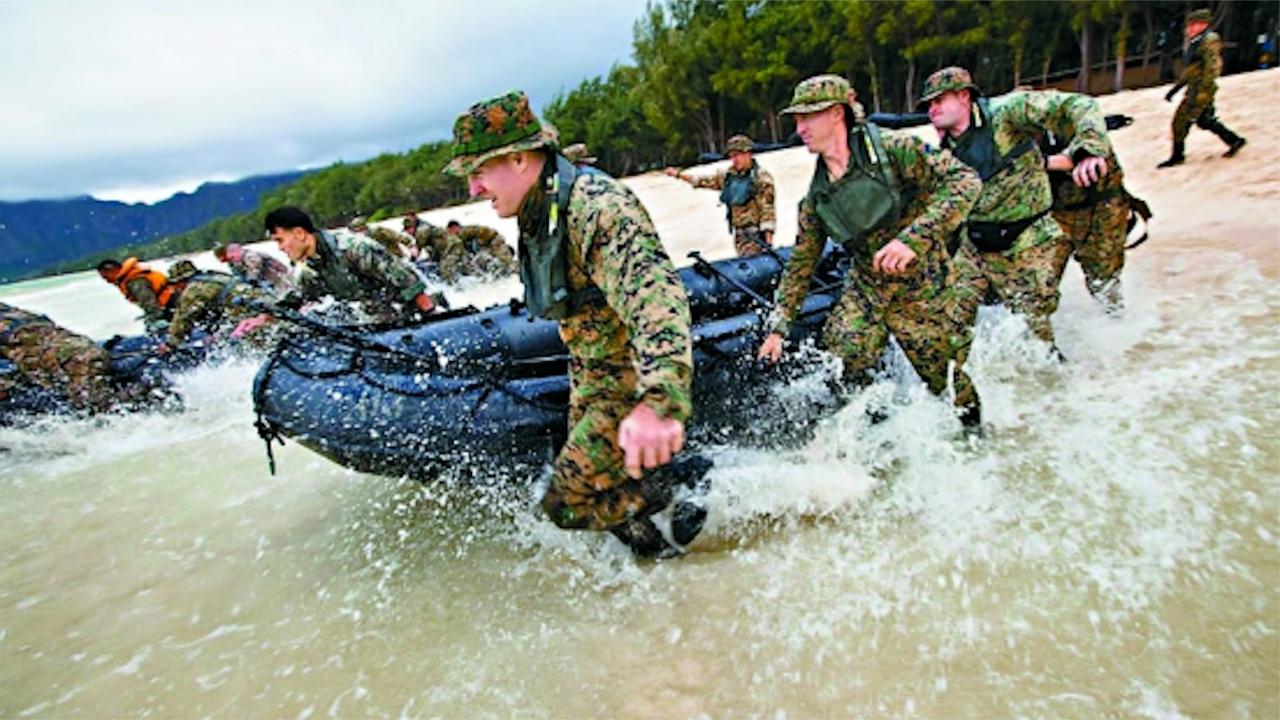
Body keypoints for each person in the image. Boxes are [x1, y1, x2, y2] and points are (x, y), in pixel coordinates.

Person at [442, 90, 705, 558]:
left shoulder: (595, 208)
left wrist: (659, 402)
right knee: (611, 500)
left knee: (566, 504)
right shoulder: (537, 209)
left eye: (479, 172)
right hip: (590, 371)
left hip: (627, 376)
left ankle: (698, 485)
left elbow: (657, 301)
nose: (473, 189)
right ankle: (663, 563)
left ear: (520, 159)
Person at [756, 75, 983, 428]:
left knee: (948, 379)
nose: (799, 127)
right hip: (868, 285)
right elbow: (801, 263)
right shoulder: (816, 200)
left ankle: (974, 441)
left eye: (807, 117)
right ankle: (879, 423)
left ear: (835, 114)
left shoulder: (894, 151)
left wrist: (913, 239)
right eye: (796, 119)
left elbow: (965, 181)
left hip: (923, 282)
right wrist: (778, 328)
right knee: (844, 352)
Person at [921, 66, 1112, 348]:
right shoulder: (945, 148)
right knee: (947, 323)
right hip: (976, 247)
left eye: (939, 101)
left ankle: (1062, 380)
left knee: (1035, 340)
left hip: (1026, 241)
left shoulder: (1007, 112)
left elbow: (1079, 104)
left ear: (963, 96)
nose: (931, 110)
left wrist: (1087, 150)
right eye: (928, 105)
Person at [263, 206, 436, 323]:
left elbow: (409, 283)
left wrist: (432, 318)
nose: (280, 248)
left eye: (280, 240)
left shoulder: (354, 248)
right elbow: (298, 298)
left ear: (299, 233)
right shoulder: (309, 271)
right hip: (375, 323)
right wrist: (265, 318)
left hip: (410, 318)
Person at [0, 302, 150, 414]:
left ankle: (139, 401)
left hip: (73, 361)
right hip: (83, 348)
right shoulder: (17, 316)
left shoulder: (13, 334)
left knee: (101, 410)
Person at [1157, 8, 1247, 168]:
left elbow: (1212, 68)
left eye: (1192, 26)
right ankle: (1235, 140)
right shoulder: (1197, 42)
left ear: (1202, 25)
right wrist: (1175, 89)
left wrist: (1204, 91)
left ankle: (1177, 156)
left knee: (1181, 121)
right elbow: (1192, 71)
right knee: (1205, 120)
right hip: (1196, 88)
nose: (1188, 30)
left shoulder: (1209, 40)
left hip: (1201, 90)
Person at [667, 134, 777, 258]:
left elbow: (768, 210)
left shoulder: (761, 178)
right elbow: (702, 180)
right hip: (739, 235)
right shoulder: (728, 177)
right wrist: (679, 175)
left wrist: (768, 240)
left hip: (756, 235)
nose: (734, 160)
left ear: (748, 154)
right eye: (732, 156)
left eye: (737, 155)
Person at [161, 260, 279, 347]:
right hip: (264, 302)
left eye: (175, 285)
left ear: (181, 281)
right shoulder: (214, 276)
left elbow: (183, 319)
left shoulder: (192, 290)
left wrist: (169, 344)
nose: (175, 289)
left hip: (245, 313)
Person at [95, 257, 179, 332]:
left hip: (171, 303)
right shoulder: (129, 278)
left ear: (113, 270)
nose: (106, 281)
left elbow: (148, 301)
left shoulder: (134, 281)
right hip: (171, 302)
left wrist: (154, 319)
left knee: (156, 329)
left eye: (106, 277)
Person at [443, 220, 518, 280]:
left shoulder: (464, 232)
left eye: (450, 231)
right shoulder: (462, 238)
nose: (450, 234)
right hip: (487, 248)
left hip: (493, 243)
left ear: (454, 227)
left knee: (506, 265)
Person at [214, 242, 295, 295]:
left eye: (219, 256)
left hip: (279, 278)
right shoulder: (233, 263)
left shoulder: (246, 255)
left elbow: (256, 265)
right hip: (271, 283)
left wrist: (252, 279)